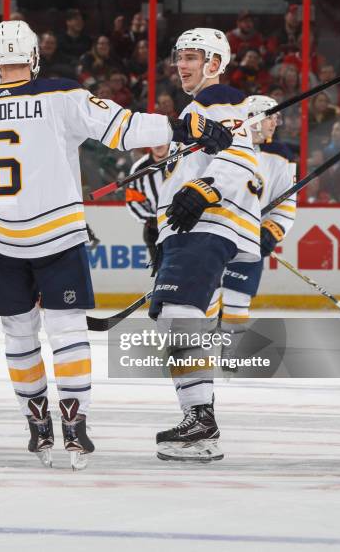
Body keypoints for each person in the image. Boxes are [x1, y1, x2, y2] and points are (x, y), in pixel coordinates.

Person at [0, 20, 233, 469]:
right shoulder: (61, 96)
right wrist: (183, 127)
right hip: (57, 236)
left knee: (19, 337)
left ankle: (38, 427)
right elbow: (125, 127)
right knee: (68, 332)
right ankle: (75, 429)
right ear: (34, 57)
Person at [149, 28, 260, 462]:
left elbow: (242, 155)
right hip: (193, 230)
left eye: (192, 57)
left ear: (215, 62)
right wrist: (165, 232)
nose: (182, 64)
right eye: (179, 56)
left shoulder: (222, 98)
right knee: (176, 317)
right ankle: (200, 422)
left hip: (209, 224)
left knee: (178, 314)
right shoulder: (198, 109)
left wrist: (204, 191)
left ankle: (200, 420)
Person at [220, 95, 296, 350]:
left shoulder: (281, 157)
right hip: (214, 233)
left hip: (248, 239)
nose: (275, 123)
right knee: (202, 297)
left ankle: (230, 350)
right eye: (271, 117)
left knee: (237, 295)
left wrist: (271, 231)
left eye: (276, 118)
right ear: (253, 120)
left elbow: (286, 202)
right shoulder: (222, 147)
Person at [125, 144, 169, 265]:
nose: (158, 144)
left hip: (181, 225)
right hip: (153, 230)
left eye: (162, 140)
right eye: (154, 140)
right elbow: (132, 200)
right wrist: (149, 218)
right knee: (161, 271)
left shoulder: (181, 161)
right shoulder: (139, 168)